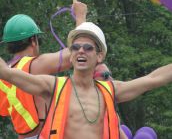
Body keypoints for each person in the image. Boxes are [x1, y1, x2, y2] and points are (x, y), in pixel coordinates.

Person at [1, 22, 172, 139]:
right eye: (75, 47)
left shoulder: (111, 90)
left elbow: (153, 79)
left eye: (88, 47)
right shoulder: (53, 87)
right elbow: (8, 74)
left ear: (99, 55)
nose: (80, 51)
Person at [0, 0, 87, 139]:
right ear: (33, 40)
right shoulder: (34, 65)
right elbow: (76, 53)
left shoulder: (4, 77)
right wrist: (80, 16)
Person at [94, 63, 128, 139]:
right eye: (105, 75)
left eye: (110, 75)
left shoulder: (112, 114)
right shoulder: (78, 109)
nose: (111, 79)